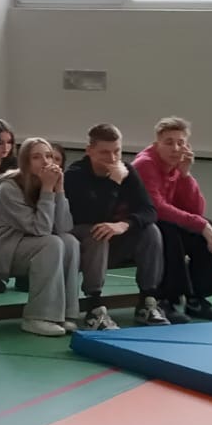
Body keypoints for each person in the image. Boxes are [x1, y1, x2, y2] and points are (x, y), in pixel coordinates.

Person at [64, 123, 162, 329]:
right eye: (104, 152)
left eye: (117, 151)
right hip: (83, 240)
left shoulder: (127, 171)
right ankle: (94, 306)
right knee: (99, 231)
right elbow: (92, 215)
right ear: (89, 151)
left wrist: (125, 224)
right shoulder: (75, 175)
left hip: (116, 238)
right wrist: (114, 183)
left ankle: (147, 300)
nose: (112, 158)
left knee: (150, 231)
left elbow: (149, 210)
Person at [0, 139, 80, 338]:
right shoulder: (8, 188)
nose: (45, 162)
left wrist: (59, 190)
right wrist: (47, 190)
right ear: (25, 162)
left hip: (27, 246)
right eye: (36, 157)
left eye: (49, 156)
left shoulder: (47, 183)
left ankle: (66, 313)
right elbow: (41, 229)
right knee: (51, 243)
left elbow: (64, 227)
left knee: (70, 242)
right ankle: (38, 316)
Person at [131, 118, 212, 323]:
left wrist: (185, 175)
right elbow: (157, 209)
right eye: (169, 142)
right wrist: (201, 224)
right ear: (157, 144)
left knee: (201, 228)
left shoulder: (176, 166)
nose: (175, 148)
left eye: (180, 143)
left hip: (160, 221)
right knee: (168, 229)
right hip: (137, 228)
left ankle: (196, 299)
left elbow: (196, 210)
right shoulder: (145, 164)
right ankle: (166, 300)